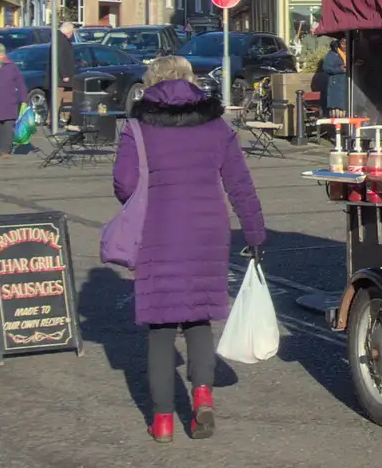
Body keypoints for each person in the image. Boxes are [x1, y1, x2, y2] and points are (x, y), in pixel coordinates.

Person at [113, 53, 267, 443]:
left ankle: (163, 421)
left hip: (158, 231)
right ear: (190, 80)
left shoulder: (138, 127)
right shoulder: (215, 126)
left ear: (152, 82)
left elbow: (124, 185)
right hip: (206, 232)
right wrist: (255, 232)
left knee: (161, 327)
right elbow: (240, 183)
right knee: (199, 319)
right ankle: (201, 397)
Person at [318, 38, 348, 115]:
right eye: (343, 42)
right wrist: (340, 69)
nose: (344, 43)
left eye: (346, 42)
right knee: (338, 112)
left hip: (350, 86)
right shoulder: (332, 54)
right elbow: (326, 68)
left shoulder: (352, 52)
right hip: (337, 86)